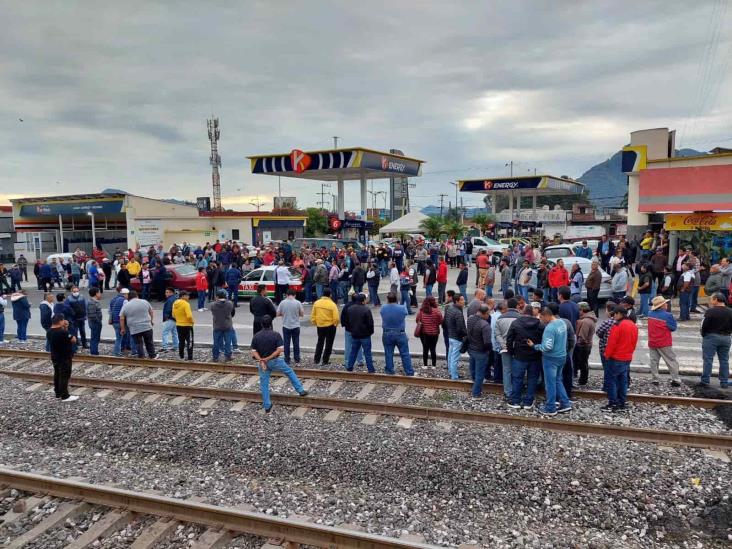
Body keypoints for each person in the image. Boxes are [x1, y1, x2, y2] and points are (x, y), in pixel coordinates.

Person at [250, 315, 308, 412]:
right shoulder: (276, 335)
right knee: (289, 372)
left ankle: (267, 406)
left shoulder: (256, 336)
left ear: (261, 324)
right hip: (275, 361)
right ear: (271, 324)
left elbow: (253, 351)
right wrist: (268, 358)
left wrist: (261, 360)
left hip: (263, 364)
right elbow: (280, 350)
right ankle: (300, 390)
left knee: (264, 384)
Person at [527, 304, 572, 417]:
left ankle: (550, 407)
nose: (540, 320)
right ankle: (565, 403)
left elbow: (547, 347)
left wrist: (535, 346)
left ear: (546, 315)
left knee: (550, 384)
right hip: (562, 356)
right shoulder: (562, 323)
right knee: (558, 380)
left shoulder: (550, 328)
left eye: (541, 317)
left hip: (551, 359)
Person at [506, 304, 544, 409]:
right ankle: (528, 401)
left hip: (519, 355)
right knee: (532, 379)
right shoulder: (540, 325)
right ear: (532, 312)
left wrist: (511, 352)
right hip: (535, 356)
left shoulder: (516, 323)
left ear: (523, 312)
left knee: (517, 378)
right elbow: (543, 340)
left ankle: (515, 400)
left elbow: (509, 340)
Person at [602, 307, 639, 412]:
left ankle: (613, 403)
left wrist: (606, 355)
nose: (614, 316)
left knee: (611, 380)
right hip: (627, 357)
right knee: (623, 381)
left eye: (615, 314)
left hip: (615, 357)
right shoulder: (633, 325)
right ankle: (621, 402)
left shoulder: (617, 325)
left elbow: (611, 343)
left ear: (619, 314)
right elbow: (634, 342)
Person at [647, 295, 682, 387]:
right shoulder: (668, 315)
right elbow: (673, 328)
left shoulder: (650, 314)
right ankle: (675, 379)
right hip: (664, 342)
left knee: (654, 361)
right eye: (665, 303)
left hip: (652, 341)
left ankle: (655, 379)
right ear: (661, 306)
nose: (667, 304)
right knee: (671, 360)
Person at [699, 292, 732, 388]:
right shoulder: (730, 311)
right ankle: (724, 382)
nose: (711, 301)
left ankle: (705, 381)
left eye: (712, 299)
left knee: (708, 359)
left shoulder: (710, 311)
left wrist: (704, 335)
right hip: (726, 338)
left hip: (711, 337)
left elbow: (704, 325)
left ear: (716, 300)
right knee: (724, 360)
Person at [380, 292, 414, 376]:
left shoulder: (383, 308)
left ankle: (390, 370)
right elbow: (405, 314)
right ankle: (409, 371)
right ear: (396, 299)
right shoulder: (402, 308)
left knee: (388, 353)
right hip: (400, 333)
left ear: (387, 299)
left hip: (387, 333)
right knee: (405, 353)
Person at [48, 314, 78, 402]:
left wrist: (64, 328)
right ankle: (65, 395)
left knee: (57, 374)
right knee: (64, 375)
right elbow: (73, 340)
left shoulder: (49, 331)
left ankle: (58, 393)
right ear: (60, 321)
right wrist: (66, 329)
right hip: (64, 357)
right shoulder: (62, 332)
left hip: (55, 356)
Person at [495, 297, 520, 399]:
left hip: (504, 348)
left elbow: (497, 334)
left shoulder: (500, 318)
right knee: (517, 370)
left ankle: (507, 391)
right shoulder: (520, 318)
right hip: (517, 348)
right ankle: (516, 390)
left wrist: (503, 344)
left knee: (506, 370)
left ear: (507, 306)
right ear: (517, 306)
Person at [119, 290, 156, 359]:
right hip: (147, 326)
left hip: (134, 328)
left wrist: (123, 328)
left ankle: (141, 357)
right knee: (149, 342)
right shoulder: (145, 302)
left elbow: (121, 318)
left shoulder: (126, 305)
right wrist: (151, 321)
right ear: (137, 296)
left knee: (138, 343)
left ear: (129, 297)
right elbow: (151, 312)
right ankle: (152, 356)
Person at [466, 303, 492, 397]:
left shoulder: (470, 319)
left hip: (471, 348)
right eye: (488, 314)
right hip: (480, 352)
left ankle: (474, 383)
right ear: (484, 313)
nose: (489, 316)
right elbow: (487, 342)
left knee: (472, 369)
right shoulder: (485, 325)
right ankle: (476, 393)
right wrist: (488, 351)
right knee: (480, 374)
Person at [345, 293, 375, 373]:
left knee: (353, 351)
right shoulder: (366, 309)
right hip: (365, 335)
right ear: (363, 300)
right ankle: (370, 369)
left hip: (354, 334)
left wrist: (351, 330)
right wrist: (370, 332)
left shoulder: (350, 309)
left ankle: (349, 367)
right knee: (367, 353)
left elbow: (348, 322)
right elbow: (370, 323)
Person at [311, 287, 339, 365]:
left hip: (320, 326)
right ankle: (325, 360)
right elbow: (336, 317)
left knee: (320, 342)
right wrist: (335, 324)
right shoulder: (332, 304)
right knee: (329, 344)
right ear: (330, 295)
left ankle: (316, 359)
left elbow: (313, 315)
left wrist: (315, 322)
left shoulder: (317, 303)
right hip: (330, 326)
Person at [277, 288, 304, 366]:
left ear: (286, 295)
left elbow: (278, 313)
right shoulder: (298, 303)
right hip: (296, 326)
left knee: (286, 343)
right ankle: (297, 360)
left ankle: (287, 359)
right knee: (296, 343)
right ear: (294, 295)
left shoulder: (282, 302)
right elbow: (302, 314)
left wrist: (284, 314)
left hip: (286, 326)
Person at [444, 294, 467, 380]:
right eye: (462, 300)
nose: (464, 301)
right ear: (457, 301)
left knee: (450, 356)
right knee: (455, 358)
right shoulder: (458, 313)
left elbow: (445, 322)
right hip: (457, 338)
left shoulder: (450, 309)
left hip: (450, 336)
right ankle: (454, 376)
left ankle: (450, 372)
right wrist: (466, 334)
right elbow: (460, 328)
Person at [415, 296, 442, 367]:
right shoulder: (437, 311)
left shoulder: (422, 310)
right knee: (433, 348)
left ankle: (425, 365)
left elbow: (417, 320)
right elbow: (440, 321)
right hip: (434, 333)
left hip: (424, 333)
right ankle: (434, 365)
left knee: (425, 349)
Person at [574, 302, 596, 386]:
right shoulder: (590, 319)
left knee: (583, 364)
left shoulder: (585, 321)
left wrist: (577, 343)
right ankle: (583, 379)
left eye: (578, 310)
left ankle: (583, 380)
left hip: (583, 346)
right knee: (584, 363)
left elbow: (582, 337)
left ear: (582, 310)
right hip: (588, 345)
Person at [341, 294, 365, 369]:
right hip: (358, 329)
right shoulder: (361, 307)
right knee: (359, 345)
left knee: (348, 345)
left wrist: (344, 325)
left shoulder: (346, 306)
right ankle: (360, 360)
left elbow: (342, 317)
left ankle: (347, 361)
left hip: (348, 329)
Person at [210, 289, 235, 362]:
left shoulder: (213, 305)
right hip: (227, 325)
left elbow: (213, 313)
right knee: (228, 341)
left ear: (217, 296)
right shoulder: (230, 303)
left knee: (216, 342)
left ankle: (215, 357)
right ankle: (228, 356)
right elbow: (232, 313)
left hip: (217, 325)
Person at [172, 291, 194, 360]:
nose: (188, 297)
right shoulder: (186, 304)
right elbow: (189, 315)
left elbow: (173, 315)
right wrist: (192, 322)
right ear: (183, 296)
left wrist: (179, 320)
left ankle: (181, 356)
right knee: (189, 342)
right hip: (187, 325)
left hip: (179, 325)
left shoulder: (174, 304)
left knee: (181, 341)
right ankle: (190, 357)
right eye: (187, 296)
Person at [109, 288, 130, 356]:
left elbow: (110, 310)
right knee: (119, 338)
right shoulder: (124, 301)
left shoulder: (114, 299)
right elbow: (126, 311)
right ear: (125, 294)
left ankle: (120, 350)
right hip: (120, 321)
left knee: (119, 337)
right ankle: (117, 352)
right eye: (127, 294)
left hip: (114, 321)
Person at [161, 287, 179, 353]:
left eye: (167, 292)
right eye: (166, 292)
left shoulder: (170, 300)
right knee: (174, 333)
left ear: (172, 293)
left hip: (170, 318)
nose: (166, 293)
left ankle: (165, 347)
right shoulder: (175, 298)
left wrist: (166, 317)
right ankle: (175, 346)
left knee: (165, 332)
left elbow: (168, 309)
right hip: (175, 318)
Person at [86, 287, 103, 356]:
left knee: (96, 337)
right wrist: (98, 321)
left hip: (96, 322)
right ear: (96, 294)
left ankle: (94, 351)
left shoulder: (94, 301)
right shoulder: (92, 302)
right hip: (95, 323)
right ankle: (94, 352)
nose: (100, 294)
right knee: (95, 338)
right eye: (99, 292)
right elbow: (92, 315)